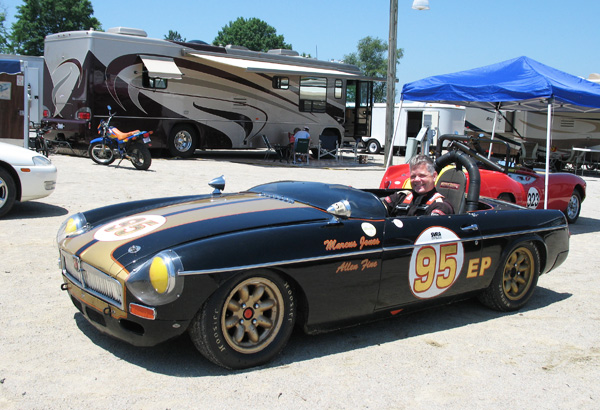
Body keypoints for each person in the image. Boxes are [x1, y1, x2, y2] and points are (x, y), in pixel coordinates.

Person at [381, 154, 454, 217]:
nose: (417, 179)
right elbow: (377, 209)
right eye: (413, 176)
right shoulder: (399, 197)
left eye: (422, 175)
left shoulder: (440, 205)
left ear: (434, 176)